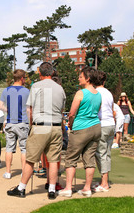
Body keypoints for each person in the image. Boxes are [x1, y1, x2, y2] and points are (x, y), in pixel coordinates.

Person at [7, 62, 66, 199]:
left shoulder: (36, 86)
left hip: (41, 125)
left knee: (31, 159)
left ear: (40, 73)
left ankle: (21, 188)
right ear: (51, 73)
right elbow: (62, 110)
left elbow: (30, 109)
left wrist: (31, 125)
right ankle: (52, 189)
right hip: (56, 126)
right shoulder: (60, 88)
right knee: (53, 160)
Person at [58, 67, 101, 198]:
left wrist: (70, 122)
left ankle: (68, 188)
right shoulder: (98, 94)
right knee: (89, 158)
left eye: (81, 76)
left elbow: (72, 112)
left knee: (71, 158)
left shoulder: (81, 93)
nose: (78, 78)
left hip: (81, 128)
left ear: (87, 79)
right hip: (95, 127)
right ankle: (87, 188)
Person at [0, 69, 30, 179]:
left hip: (10, 122)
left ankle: (8, 172)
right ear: (22, 78)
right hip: (22, 122)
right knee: (24, 149)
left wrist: (8, 109)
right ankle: (24, 172)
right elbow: (28, 108)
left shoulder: (6, 91)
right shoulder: (26, 91)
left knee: (9, 148)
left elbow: (0, 106)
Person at [92, 70, 114, 192]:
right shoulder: (109, 93)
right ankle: (104, 180)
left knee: (101, 153)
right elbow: (112, 109)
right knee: (107, 153)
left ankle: (104, 183)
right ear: (104, 81)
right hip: (111, 123)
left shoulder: (96, 93)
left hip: (102, 123)